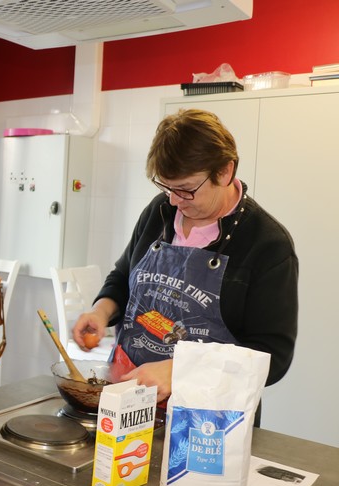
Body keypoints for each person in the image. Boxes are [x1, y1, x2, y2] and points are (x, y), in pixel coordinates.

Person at [72, 109, 298, 414]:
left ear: (225, 172)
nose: (175, 201)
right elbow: (125, 273)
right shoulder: (160, 211)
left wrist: (180, 370)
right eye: (167, 188)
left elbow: (273, 356)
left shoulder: (267, 244)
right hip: (130, 400)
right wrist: (101, 311)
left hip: (210, 421)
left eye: (187, 190)